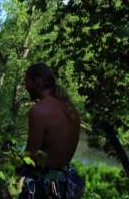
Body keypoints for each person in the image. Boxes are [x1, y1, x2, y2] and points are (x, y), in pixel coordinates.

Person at [18, 63, 84, 199]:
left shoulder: (39, 110)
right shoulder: (70, 108)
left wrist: (10, 161)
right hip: (65, 184)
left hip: (46, 188)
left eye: (27, 82)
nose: (25, 86)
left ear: (37, 81)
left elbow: (30, 157)